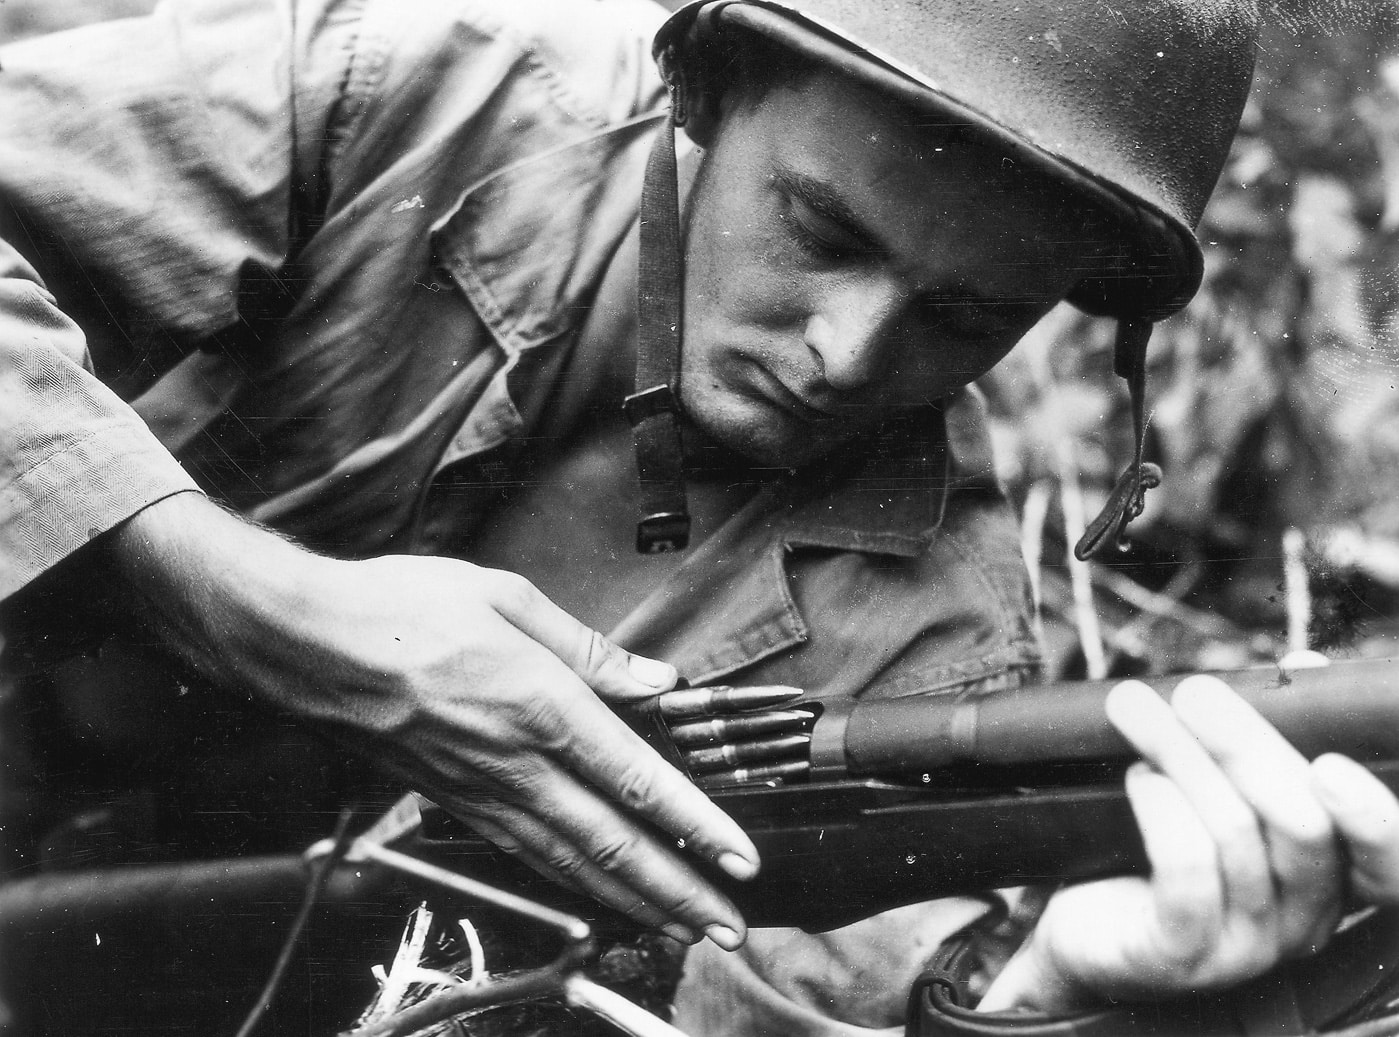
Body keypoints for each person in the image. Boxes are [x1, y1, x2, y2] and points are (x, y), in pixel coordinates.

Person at [1, 0, 1397, 1034]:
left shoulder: (928, 617)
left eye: (968, 316)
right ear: (709, 92)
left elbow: (805, 971)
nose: (846, 352)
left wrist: (1027, 988)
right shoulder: (414, 94)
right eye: (824, 231)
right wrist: (248, 599)